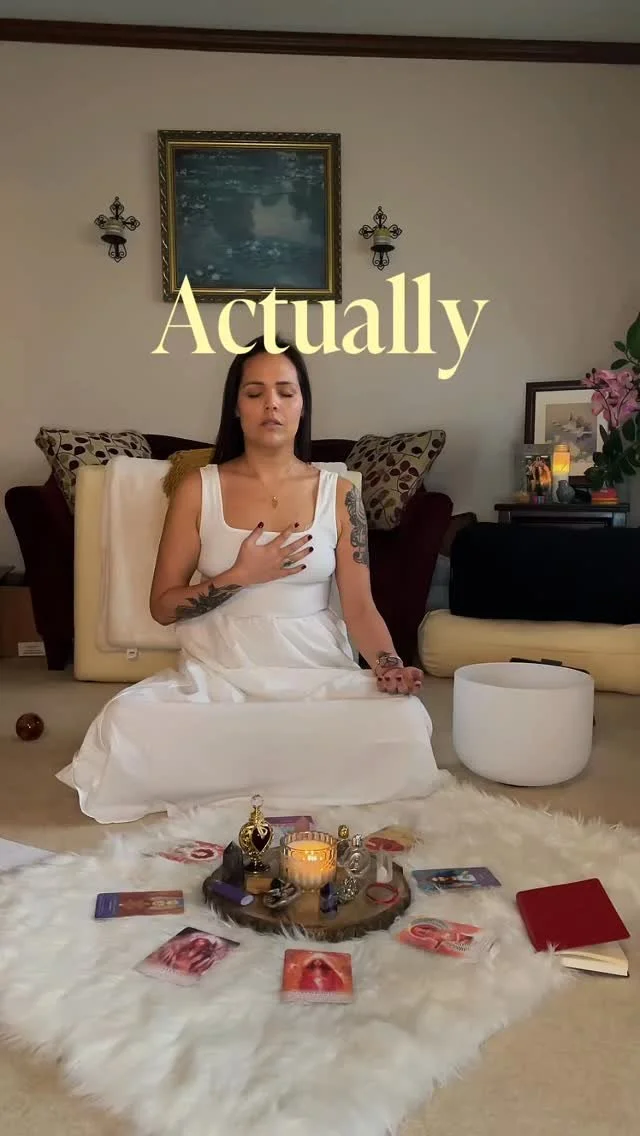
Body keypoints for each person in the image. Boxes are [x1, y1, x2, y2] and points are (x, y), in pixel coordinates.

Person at [56, 336, 441, 823]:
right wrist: (240, 576)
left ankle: (249, 766)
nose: (271, 404)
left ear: (302, 405)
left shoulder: (340, 495)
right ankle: (287, 767)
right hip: (219, 677)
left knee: (405, 720)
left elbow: (360, 608)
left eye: (285, 392)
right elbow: (163, 606)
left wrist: (388, 664)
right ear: (236, 407)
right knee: (125, 722)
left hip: (313, 675)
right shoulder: (198, 488)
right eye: (255, 393)